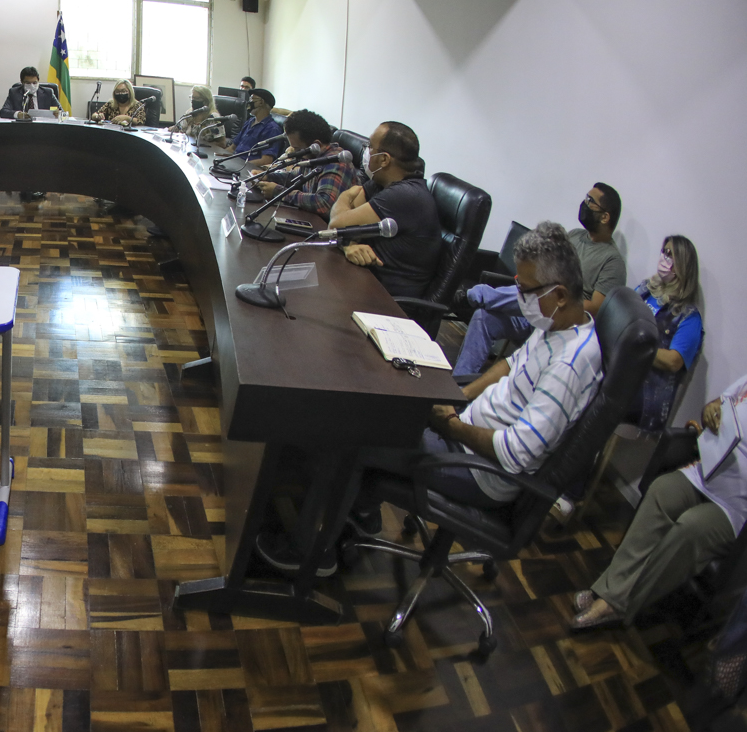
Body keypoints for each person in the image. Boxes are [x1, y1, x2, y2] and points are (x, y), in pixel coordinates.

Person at [258, 223, 603, 575]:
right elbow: (509, 364)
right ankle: (360, 511)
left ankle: (310, 553)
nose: (519, 298)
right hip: (466, 433)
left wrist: (450, 426)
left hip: (482, 471)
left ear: (559, 294)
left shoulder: (570, 365)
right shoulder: (558, 326)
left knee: (357, 436)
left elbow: (515, 453)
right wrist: (460, 394)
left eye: (525, 290)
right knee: (384, 407)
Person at [573, 375, 747, 630]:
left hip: (734, 509)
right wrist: (710, 409)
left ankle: (616, 602)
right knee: (662, 490)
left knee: (691, 527)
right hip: (704, 474)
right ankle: (612, 592)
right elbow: (719, 405)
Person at [453, 183, 626, 376]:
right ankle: (459, 383)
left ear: (605, 216)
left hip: (561, 320)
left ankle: (473, 295)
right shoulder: (576, 235)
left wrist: (552, 297)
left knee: (533, 293)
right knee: (484, 317)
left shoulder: (612, 261)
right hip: (535, 309)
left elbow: (596, 307)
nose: (584, 204)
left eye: (590, 201)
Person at [327, 121, 442, 298]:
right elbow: (342, 228)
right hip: (364, 280)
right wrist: (348, 246)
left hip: (389, 302)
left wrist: (344, 197)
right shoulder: (381, 183)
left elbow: (336, 225)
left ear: (384, 159)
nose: (366, 152)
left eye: (370, 146)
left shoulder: (404, 196)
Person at [630, 235, 703, 433]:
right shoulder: (645, 289)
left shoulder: (689, 317)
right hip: (617, 385)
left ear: (684, 265)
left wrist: (633, 345)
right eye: (665, 252)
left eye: (672, 255)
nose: (665, 257)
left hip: (644, 408)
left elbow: (673, 361)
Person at [251, 109, 358, 220]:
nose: (293, 151)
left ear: (315, 145)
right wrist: (268, 176)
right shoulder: (312, 157)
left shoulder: (336, 161)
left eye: (297, 148)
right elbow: (294, 176)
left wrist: (278, 191)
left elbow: (324, 203)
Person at [230, 88, 284, 165]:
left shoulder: (272, 129)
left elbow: (266, 160)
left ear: (261, 102)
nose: (249, 102)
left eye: (252, 99)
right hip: (234, 163)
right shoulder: (250, 122)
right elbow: (232, 148)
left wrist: (241, 165)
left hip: (247, 169)